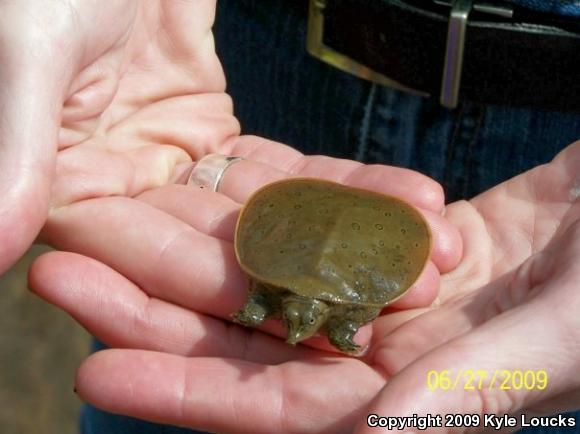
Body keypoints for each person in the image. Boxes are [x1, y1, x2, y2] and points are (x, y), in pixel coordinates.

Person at [1, 0, 578, 433]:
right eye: (297, 320)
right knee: (162, 392)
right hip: (258, 51)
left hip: (552, 118)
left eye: (300, 322)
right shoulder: (266, 293)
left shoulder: (333, 306)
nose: (299, 329)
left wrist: (336, 325)